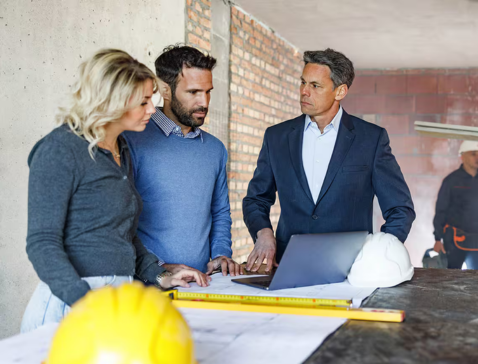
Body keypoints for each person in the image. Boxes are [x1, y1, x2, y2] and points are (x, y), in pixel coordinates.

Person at [21, 49, 207, 333]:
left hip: (117, 302)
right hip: (72, 307)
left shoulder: (122, 151)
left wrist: (160, 277)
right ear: (112, 101)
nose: (151, 110)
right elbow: (42, 243)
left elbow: (125, 236)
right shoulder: (60, 149)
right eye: (144, 102)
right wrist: (85, 302)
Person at [242, 48, 415, 272]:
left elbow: (400, 209)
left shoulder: (371, 139)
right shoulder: (277, 137)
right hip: (287, 265)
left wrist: (379, 254)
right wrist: (264, 233)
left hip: (353, 269)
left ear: (340, 91)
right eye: (303, 82)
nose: (304, 91)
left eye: (315, 86)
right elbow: (256, 200)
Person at [124, 45, 242, 276]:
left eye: (208, 91)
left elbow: (219, 211)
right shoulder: (131, 140)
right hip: (148, 285)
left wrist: (220, 254)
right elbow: (121, 220)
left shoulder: (215, 150)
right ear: (165, 90)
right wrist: (157, 269)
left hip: (201, 285)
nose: (205, 102)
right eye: (193, 92)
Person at [432, 141, 478, 270]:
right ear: (462, 156)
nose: (477, 157)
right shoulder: (451, 181)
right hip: (453, 241)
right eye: (473, 154)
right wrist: (438, 238)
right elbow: (441, 210)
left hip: (476, 240)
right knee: (451, 281)